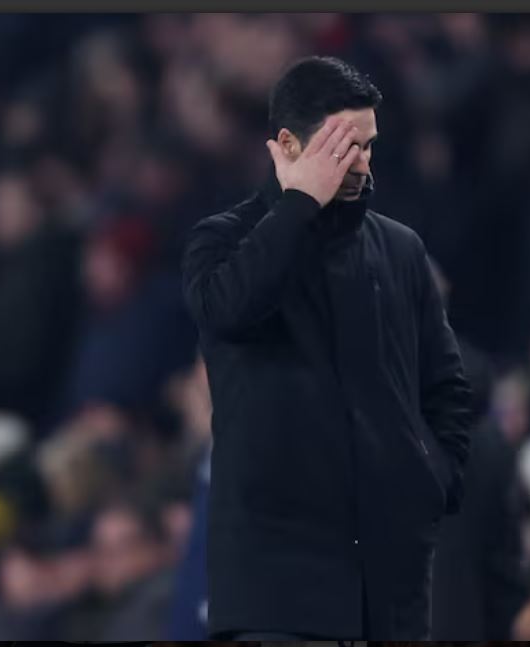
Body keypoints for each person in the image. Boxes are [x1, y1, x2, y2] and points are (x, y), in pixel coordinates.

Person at [181, 56, 473, 640]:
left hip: (390, 586)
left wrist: (432, 480)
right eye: (343, 147)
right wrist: (299, 205)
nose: (362, 163)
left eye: (368, 146)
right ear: (288, 146)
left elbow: (445, 387)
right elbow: (228, 310)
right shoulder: (222, 239)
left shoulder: (400, 250)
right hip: (275, 586)